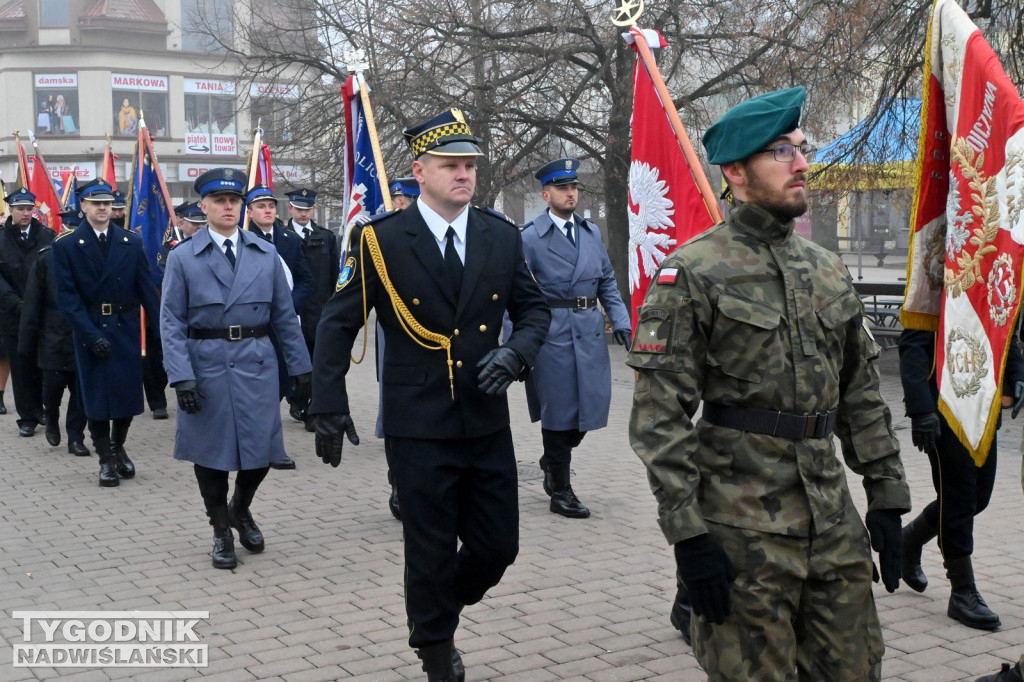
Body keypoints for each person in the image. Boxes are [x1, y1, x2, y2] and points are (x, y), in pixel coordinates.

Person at [626, 87, 911, 681]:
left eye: (801, 149)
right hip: (742, 533)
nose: (802, 164)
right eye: (781, 151)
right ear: (736, 171)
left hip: (832, 520)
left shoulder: (825, 268)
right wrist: (687, 537)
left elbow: (860, 392)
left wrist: (886, 493)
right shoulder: (692, 273)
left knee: (857, 671)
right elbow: (659, 420)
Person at [309, 108, 550, 682]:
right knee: (431, 547)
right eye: (451, 165)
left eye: (469, 165)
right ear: (420, 171)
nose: (464, 174)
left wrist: (516, 354)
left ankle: (438, 610)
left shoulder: (500, 235)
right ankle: (436, 650)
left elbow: (534, 310)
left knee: (498, 548)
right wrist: (327, 403)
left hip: (486, 421)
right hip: (418, 425)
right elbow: (337, 323)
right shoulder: (379, 240)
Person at [161, 168, 312, 569]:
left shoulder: (265, 255)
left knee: (260, 451)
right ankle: (220, 531)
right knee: (209, 455)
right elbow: (171, 322)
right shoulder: (183, 257)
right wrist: (181, 376)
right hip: (205, 365)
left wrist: (302, 369)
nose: (228, 207)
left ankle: (240, 508)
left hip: (256, 364)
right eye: (220, 201)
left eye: (234, 201)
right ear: (204, 207)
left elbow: (285, 316)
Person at [517, 158, 631, 518]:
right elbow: (515, 294)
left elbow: (607, 282)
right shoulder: (531, 237)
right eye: (563, 188)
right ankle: (561, 489)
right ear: (545, 194)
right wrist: (516, 347)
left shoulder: (590, 232)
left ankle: (553, 460)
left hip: (589, 330)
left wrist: (623, 321)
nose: (571, 193)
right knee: (559, 411)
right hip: (551, 333)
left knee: (590, 408)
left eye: (574, 187)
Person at [898, 329, 1024, 630]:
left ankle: (909, 540)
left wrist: (1017, 373)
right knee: (958, 497)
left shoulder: (999, 278)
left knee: (978, 497)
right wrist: (920, 409)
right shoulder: (936, 278)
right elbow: (914, 342)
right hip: (943, 402)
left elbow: (1004, 325)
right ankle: (962, 591)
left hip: (984, 400)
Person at [51, 179, 160, 487]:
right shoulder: (67, 244)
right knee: (97, 398)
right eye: (95, 202)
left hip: (125, 328)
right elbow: (67, 298)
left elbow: (146, 289)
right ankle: (104, 459)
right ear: (82, 206)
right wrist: (89, 334)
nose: (102, 208)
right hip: (91, 328)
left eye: (107, 203)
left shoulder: (130, 241)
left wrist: (162, 328)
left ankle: (117, 446)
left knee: (126, 396)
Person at [245, 184, 312, 469]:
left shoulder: (289, 239)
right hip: (253, 327)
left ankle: (272, 445)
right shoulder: (242, 240)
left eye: (271, 205)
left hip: (283, 326)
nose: (268, 210)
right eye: (261, 206)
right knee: (258, 391)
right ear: (249, 212)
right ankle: (262, 446)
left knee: (280, 386)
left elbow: (305, 280)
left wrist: (288, 308)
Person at [18, 223, 89, 456]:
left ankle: (76, 438)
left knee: (81, 393)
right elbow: (31, 303)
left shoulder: (91, 257)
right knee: (53, 389)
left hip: (81, 335)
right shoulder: (46, 259)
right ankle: (51, 418)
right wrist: (27, 342)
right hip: (52, 337)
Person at [0, 187, 54, 437]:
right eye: (20, 209)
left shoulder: (47, 236)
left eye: (29, 209)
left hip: (42, 311)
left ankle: (44, 408)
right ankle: (27, 417)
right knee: (21, 365)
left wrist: (36, 302)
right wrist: (17, 303)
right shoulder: (1, 238)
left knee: (42, 363)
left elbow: (53, 273)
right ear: (10, 210)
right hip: (12, 313)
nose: (25, 213)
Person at [285, 187, 340, 431]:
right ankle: (296, 398)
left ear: (313, 210)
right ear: (290, 209)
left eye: (307, 209)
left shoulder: (326, 237)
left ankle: (311, 407)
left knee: (317, 361)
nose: (303, 213)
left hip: (319, 310)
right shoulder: (281, 237)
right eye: (298, 209)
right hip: (293, 309)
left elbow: (334, 276)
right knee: (296, 359)